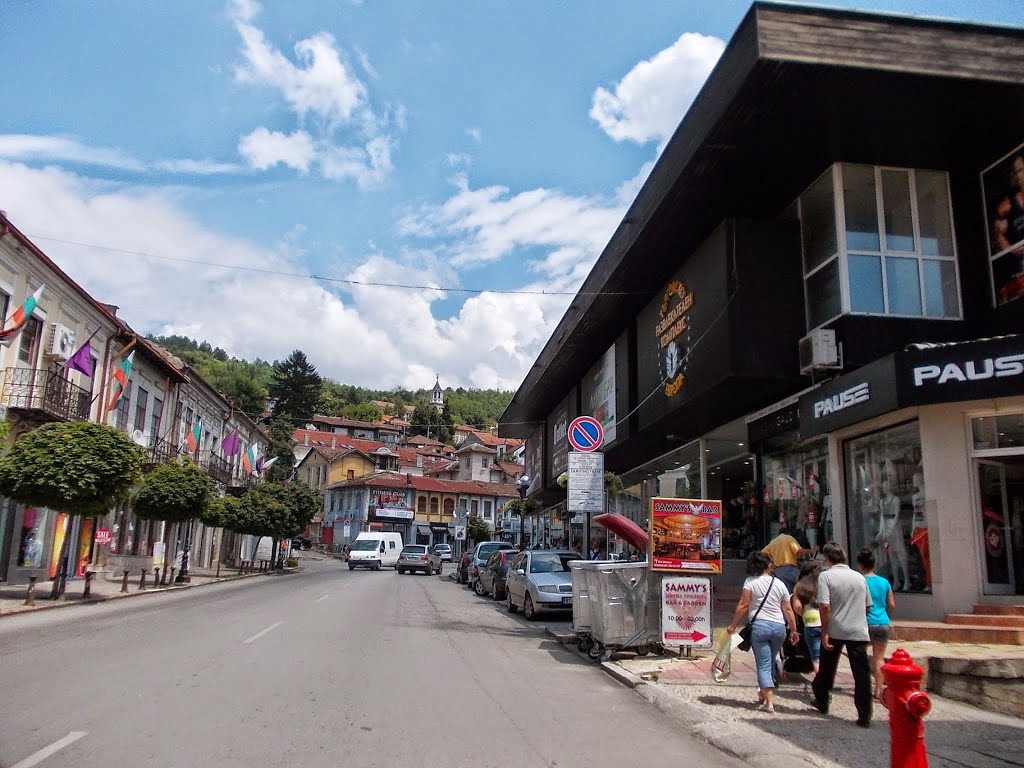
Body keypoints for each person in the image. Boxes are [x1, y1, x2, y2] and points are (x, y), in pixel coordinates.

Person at [726, 551, 800, 714]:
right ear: (768, 566)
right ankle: (763, 692)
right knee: (771, 659)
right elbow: (788, 609)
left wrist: (733, 625)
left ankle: (769, 701)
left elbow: (744, 605)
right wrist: (794, 630)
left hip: (760, 627)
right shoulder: (779, 584)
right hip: (779, 627)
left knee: (763, 664)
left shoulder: (750, 582)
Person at [811, 542, 873, 728]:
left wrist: (825, 632)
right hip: (857, 630)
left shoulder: (826, 577)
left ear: (827, 559)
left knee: (827, 669)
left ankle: (822, 700)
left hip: (835, 628)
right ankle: (865, 713)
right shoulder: (859, 577)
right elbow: (868, 605)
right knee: (861, 674)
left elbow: (824, 605)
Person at [857, 547, 895, 700]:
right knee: (879, 658)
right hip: (882, 622)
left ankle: (863, 688)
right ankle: (878, 690)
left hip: (864, 623)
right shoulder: (884, 582)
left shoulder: (860, 581)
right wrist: (885, 614)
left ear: (860, 564)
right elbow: (891, 604)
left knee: (861, 658)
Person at [791, 560, 823, 674]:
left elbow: (797, 606)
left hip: (811, 622)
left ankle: (820, 684)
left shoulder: (799, 586)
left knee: (816, 657)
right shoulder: (823, 583)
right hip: (826, 621)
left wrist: (804, 614)